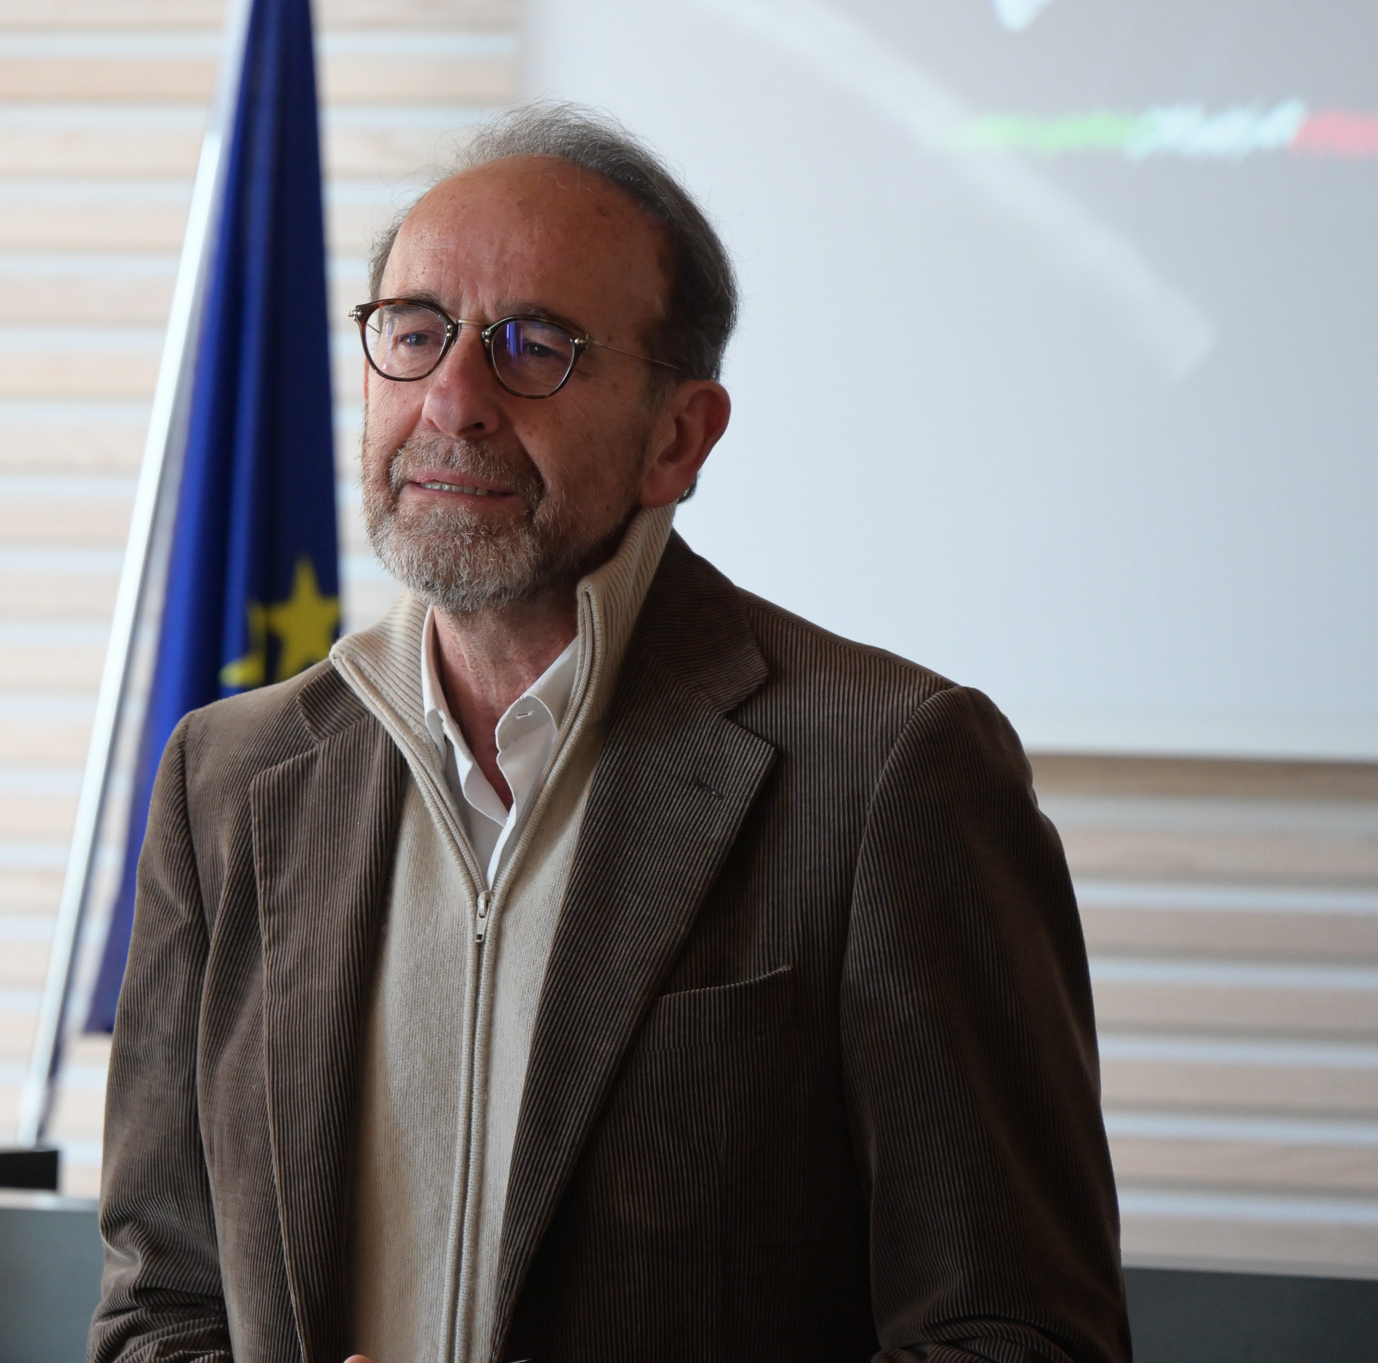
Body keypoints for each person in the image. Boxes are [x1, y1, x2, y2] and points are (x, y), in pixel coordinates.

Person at [89, 103, 1129, 1363]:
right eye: (413, 332)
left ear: (676, 437)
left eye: (533, 346)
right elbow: (158, 1310)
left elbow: (1016, 1336)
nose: (452, 399)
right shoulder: (228, 776)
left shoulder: (891, 771)